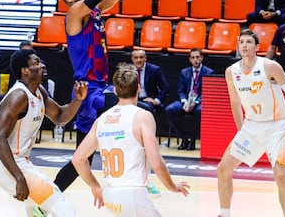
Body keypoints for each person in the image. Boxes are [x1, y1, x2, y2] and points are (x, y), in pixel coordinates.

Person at [54, 0, 143, 192]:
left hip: (99, 86)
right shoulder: (74, 15)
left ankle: (46, 200)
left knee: (83, 156)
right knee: (133, 113)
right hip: (87, 90)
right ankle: (136, 178)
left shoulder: (94, 13)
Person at [71, 63, 190, 216]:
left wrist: (94, 186)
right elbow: (157, 163)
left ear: (115, 90)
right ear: (138, 88)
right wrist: (172, 186)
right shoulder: (142, 116)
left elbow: (78, 159)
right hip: (133, 193)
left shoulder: (101, 120)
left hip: (110, 194)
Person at [0, 49, 88, 216]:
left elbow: (60, 116)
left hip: (19, 162)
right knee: (63, 207)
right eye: (36, 63)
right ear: (25, 71)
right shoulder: (18, 96)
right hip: (7, 164)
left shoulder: (39, 91)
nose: (42, 65)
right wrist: (19, 177)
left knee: (35, 210)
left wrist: (78, 100)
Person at [217, 29, 285, 217]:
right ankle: (224, 213)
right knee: (223, 169)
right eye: (241, 42)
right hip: (251, 127)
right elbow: (235, 102)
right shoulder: (231, 72)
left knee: (280, 175)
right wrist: (241, 130)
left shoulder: (269, 66)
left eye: (248, 42)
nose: (244, 46)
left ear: (257, 47)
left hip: (275, 127)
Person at [130, 49, 170, 195]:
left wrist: (156, 100)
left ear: (145, 58)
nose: (139, 60)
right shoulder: (127, 71)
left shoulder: (154, 69)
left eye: (141, 57)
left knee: (146, 108)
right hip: (130, 101)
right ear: (132, 59)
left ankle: (146, 138)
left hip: (148, 101)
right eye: (136, 57)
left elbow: (165, 87)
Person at [165, 48, 215, 151]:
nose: (195, 60)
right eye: (193, 58)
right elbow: (180, 90)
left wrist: (195, 102)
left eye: (197, 57)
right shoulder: (184, 72)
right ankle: (183, 138)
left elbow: (207, 91)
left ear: (202, 58)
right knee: (170, 109)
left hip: (200, 101)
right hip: (186, 100)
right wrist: (184, 101)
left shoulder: (209, 72)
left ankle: (192, 139)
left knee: (199, 111)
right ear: (189, 59)